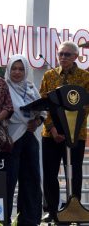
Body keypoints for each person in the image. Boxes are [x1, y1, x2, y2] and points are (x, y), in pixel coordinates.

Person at [40, 41, 89, 222]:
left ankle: (74, 210)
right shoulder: (49, 76)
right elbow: (43, 104)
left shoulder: (85, 77)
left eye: (67, 54)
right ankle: (52, 211)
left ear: (76, 57)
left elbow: (86, 106)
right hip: (51, 134)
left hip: (76, 133)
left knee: (75, 173)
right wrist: (52, 129)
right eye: (60, 54)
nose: (63, 58)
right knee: (50, 173)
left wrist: (72, 128)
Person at [5, 54, 44, 226]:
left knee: (31, 180)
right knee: (8, 180)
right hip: (11, 139)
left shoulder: (30, 87)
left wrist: (36, 122)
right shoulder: (3, 86)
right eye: (14, 68)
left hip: (30, 138)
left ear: (26, 71)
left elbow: (43, 111)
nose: (17, 72)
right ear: (8, 69)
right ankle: (2, 219)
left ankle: (29, 220)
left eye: (21, 69)